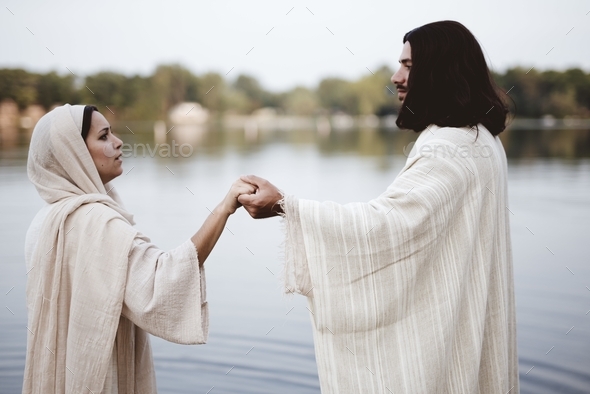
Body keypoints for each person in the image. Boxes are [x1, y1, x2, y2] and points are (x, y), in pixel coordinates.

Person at [238, 21, 519, 393]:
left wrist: (286, 206)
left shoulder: (447, 148)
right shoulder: (482, 139)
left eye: (408, 66)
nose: (396, 76)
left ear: (440, 71)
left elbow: (383, 227)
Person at [23, 104, 254, 393]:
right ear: (75, 154)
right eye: (104, 136)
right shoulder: (99, 222)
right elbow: (162, 283)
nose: (118, 142)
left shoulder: (45, 221)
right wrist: (224, 208)